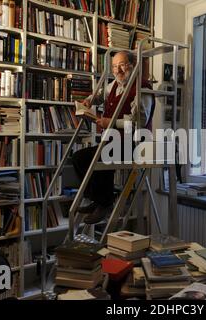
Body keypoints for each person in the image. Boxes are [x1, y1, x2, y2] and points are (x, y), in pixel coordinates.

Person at [72, 51, 155, 224]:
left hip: (136, 144)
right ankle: (97, 200)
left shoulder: (143, 88)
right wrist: (89, 101)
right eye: (115, 66)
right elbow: (102, 93)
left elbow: (138, 123)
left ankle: (105, 203)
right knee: (79, 158)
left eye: (122, 65)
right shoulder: (115, 85)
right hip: (115, 142)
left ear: (133, 66)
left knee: (103, 157)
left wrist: (111, 122)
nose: (118, 70)